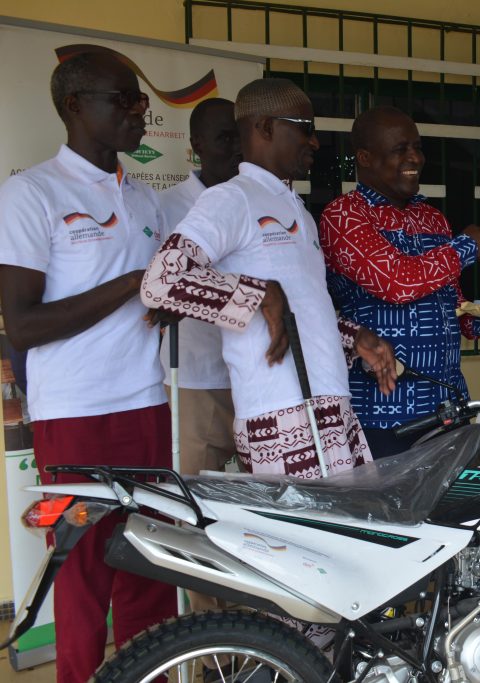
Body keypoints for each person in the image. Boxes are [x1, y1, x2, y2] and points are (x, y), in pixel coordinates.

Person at [0, 51, 177, 683]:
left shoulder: (147, 201)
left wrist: (166, 304)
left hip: (146, 406)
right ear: (75, 106)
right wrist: (133, 282)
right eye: (122, 100)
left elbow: (152, 295)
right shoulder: (32, 192)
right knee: (81, 574)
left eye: (139, 101)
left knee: (149, 565)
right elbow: (21, 324)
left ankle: (149, 673)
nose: (139, 111)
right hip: (74, 416)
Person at [141, 78, 396, 479]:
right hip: (280, 418)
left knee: (348, 535)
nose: (314, 142)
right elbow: (160, 282)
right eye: (305, 128)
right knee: (304, 539)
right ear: (264, 128)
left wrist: (353, 337)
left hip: (331, 405)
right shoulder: (231, 198)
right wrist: (258, 294)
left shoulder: (297, 209)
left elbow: (302, 307)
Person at [318, 105, 480, 457]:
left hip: (448, 407)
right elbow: (397, 282)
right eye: (400, 149)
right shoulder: (344, 216)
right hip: (381, 415)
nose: (415, 158)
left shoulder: (432, 218)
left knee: (451, 510)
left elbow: (459, 313)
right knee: (388, 510)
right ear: (365, 157)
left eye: (417, 147)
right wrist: (468, 246)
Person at [159, 97, 241, 477]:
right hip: (196, 377)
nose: (237, 150)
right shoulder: (167, 208)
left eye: (241, 137)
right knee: (196, 508)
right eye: (226, 138)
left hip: (257, 376)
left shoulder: (258, 202)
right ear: (196, 146)